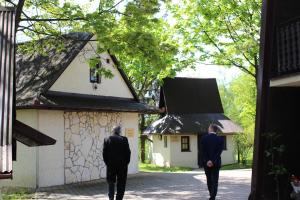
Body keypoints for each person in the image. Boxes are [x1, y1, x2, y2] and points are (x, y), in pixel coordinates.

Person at [103, 126, 131, 200]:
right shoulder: (124, 139)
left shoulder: (107, 139)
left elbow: (104, 153)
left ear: (113, 131)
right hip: (122, 166)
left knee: (111, 182)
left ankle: (111, 197)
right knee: (121, 183)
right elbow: (128, 153)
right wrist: (126, 163)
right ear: (119, 131)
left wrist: (107, 163)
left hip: (111, 165)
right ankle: (119, 198)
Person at [200, 124, 224, 200]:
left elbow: (202, 152)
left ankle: (211, 195)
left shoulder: (203, 138)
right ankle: (212, 197)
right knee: (215, 181)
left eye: (208, 128)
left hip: (206, 164)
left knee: (209, 180)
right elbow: (219, 152)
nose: (208, 129)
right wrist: (212, 161)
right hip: (216, 163)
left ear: (210, 129)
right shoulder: (220, 139)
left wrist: (207, 161)